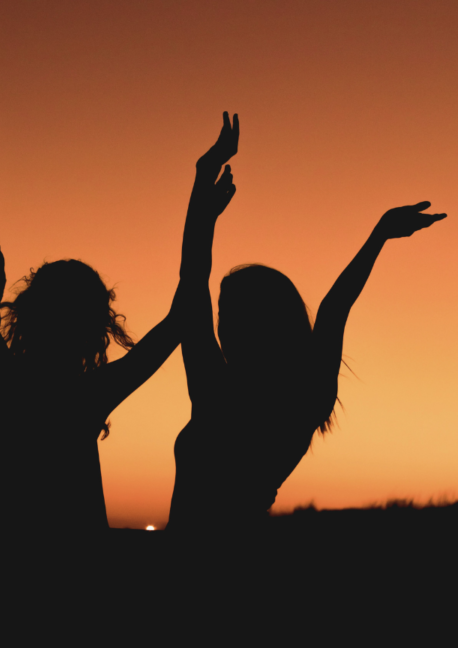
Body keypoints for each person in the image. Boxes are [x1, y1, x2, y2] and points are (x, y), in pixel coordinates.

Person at [0, 86, 192, 531]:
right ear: (95, 327)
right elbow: (182, 315)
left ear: (29, 311)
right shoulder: (88, 394)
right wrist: (202, 214)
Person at [168, 112, 447, 529]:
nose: (221, 326)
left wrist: (203, 186)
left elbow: (192, 278)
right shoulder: (304, 397)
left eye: (231, 314)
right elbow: (334, 308)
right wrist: (378, 236)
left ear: (261, 322)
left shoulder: (216, 390)